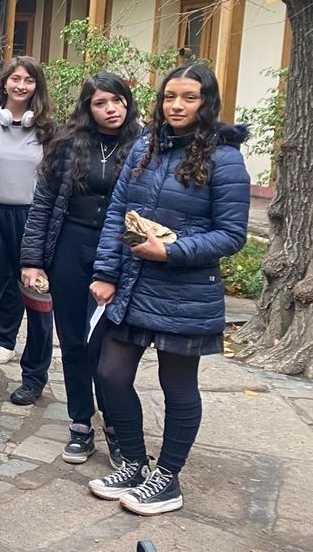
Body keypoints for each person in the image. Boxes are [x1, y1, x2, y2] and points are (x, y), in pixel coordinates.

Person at [86, 63, 250, 516]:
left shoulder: (225, 159)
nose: (177, 105)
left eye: (189, 97)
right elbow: (118, 212)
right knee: (110, 374)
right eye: (170, 96)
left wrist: (171, 252)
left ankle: (167, 478)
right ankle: (134, 462)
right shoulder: (146, 146)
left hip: (186, 291)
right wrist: (106, 272)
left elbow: (231, 234)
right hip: (135, 284)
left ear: (206, 102)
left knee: (177, 386)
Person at [21, 72, 142, 467]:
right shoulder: (67, 144)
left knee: (107, 347)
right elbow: (42, 204)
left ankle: (116, 426)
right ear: (88, 108)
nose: (111, 109)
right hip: (70, 248)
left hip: (119, 253)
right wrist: (32, 260)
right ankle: (80, 424)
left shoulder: (144, 146)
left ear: (128, 102)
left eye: (117, 100)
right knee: (73, 341)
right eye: (101, 103)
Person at [0, 56, 57, 405]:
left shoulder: (48, 129)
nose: (21, 85)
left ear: (37, 86)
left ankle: (33, 378)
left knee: (37, 300)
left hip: (33, 219)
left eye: (28, 80)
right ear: (3, 83)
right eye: (15, 79)